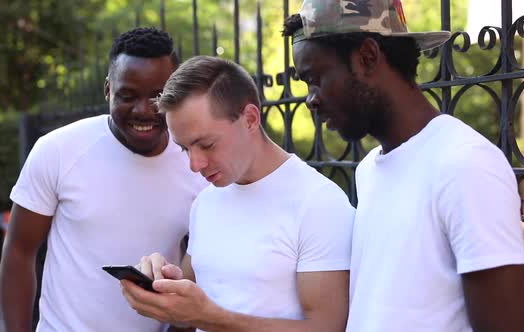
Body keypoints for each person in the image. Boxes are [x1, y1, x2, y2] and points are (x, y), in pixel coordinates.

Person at [283, 0, 524, 331]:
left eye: (315, 78)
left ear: (368, 57)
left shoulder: (464, 163)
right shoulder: (369, 170)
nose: (310, 99)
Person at [120, 56, 356, 332]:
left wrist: (209, 318)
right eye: (184, 148)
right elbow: (192, 305)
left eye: (206, 144)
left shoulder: (318, 203)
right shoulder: (206, 201)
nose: (195, 165)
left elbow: (327, 328)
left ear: (250, 119)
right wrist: (160, 280)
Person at [0, 27, 206, 332]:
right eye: (127, 95)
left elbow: (204, 269)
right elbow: (19, 251)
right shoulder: (58, 150)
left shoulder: (198, 164)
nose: (143, 110)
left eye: (158, 96)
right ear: (108, 89)